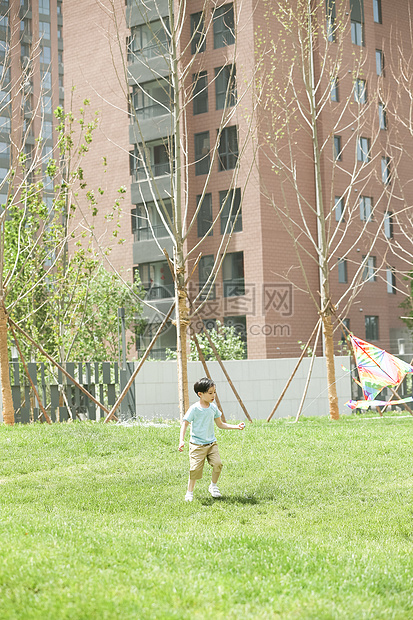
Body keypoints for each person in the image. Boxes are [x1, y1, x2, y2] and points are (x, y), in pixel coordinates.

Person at [178, 377, 245, 502]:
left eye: (214, 392)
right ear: (200, 394)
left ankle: (213, 486)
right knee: (195, 470)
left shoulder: (213, 408)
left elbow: (220, 424)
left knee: (218, 464)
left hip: (211, 444)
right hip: (197, 445)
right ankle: (189, 492)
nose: (213, 395)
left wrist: (236, 427)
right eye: (210, 393)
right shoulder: (194, 409)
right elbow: (185, 423)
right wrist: (181, 440)